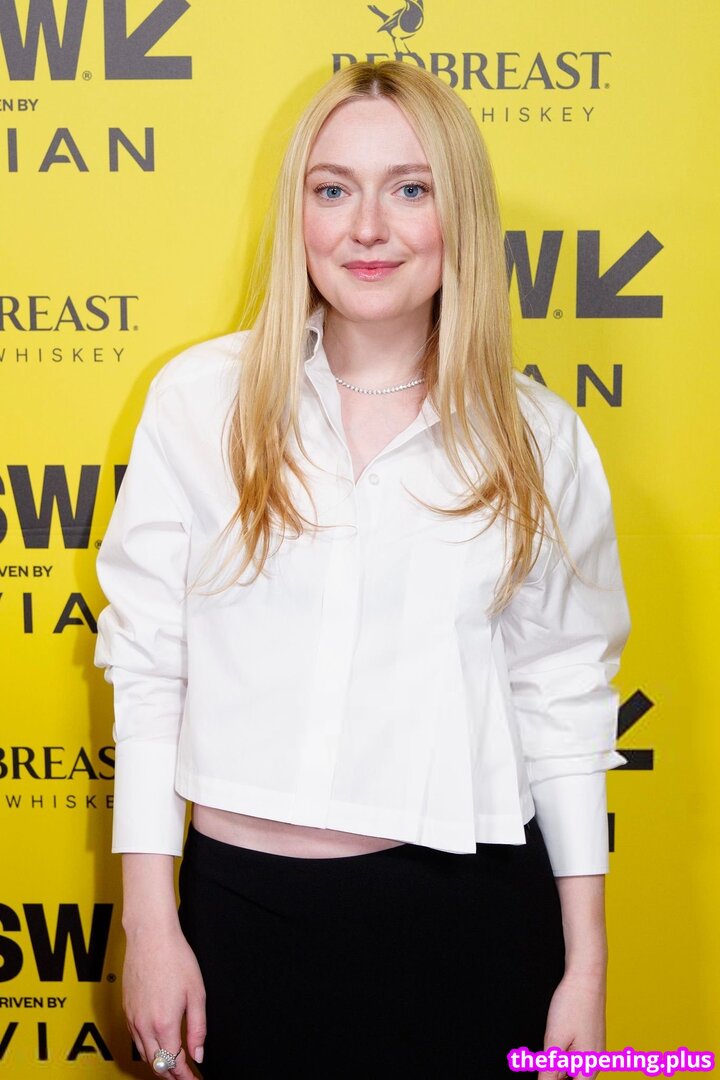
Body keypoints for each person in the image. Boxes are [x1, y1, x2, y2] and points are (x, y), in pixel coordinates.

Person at [93, 60, 630, 1080]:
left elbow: (564, 699)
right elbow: (150, 668)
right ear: (297, 213)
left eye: (410, 188)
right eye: (333, 189)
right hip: (239, 916)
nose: (368, 228)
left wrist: (586, 966)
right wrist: (150, 925)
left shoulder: (541, 439)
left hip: (472, 921)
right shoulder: (197, 403)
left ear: (459, 215)